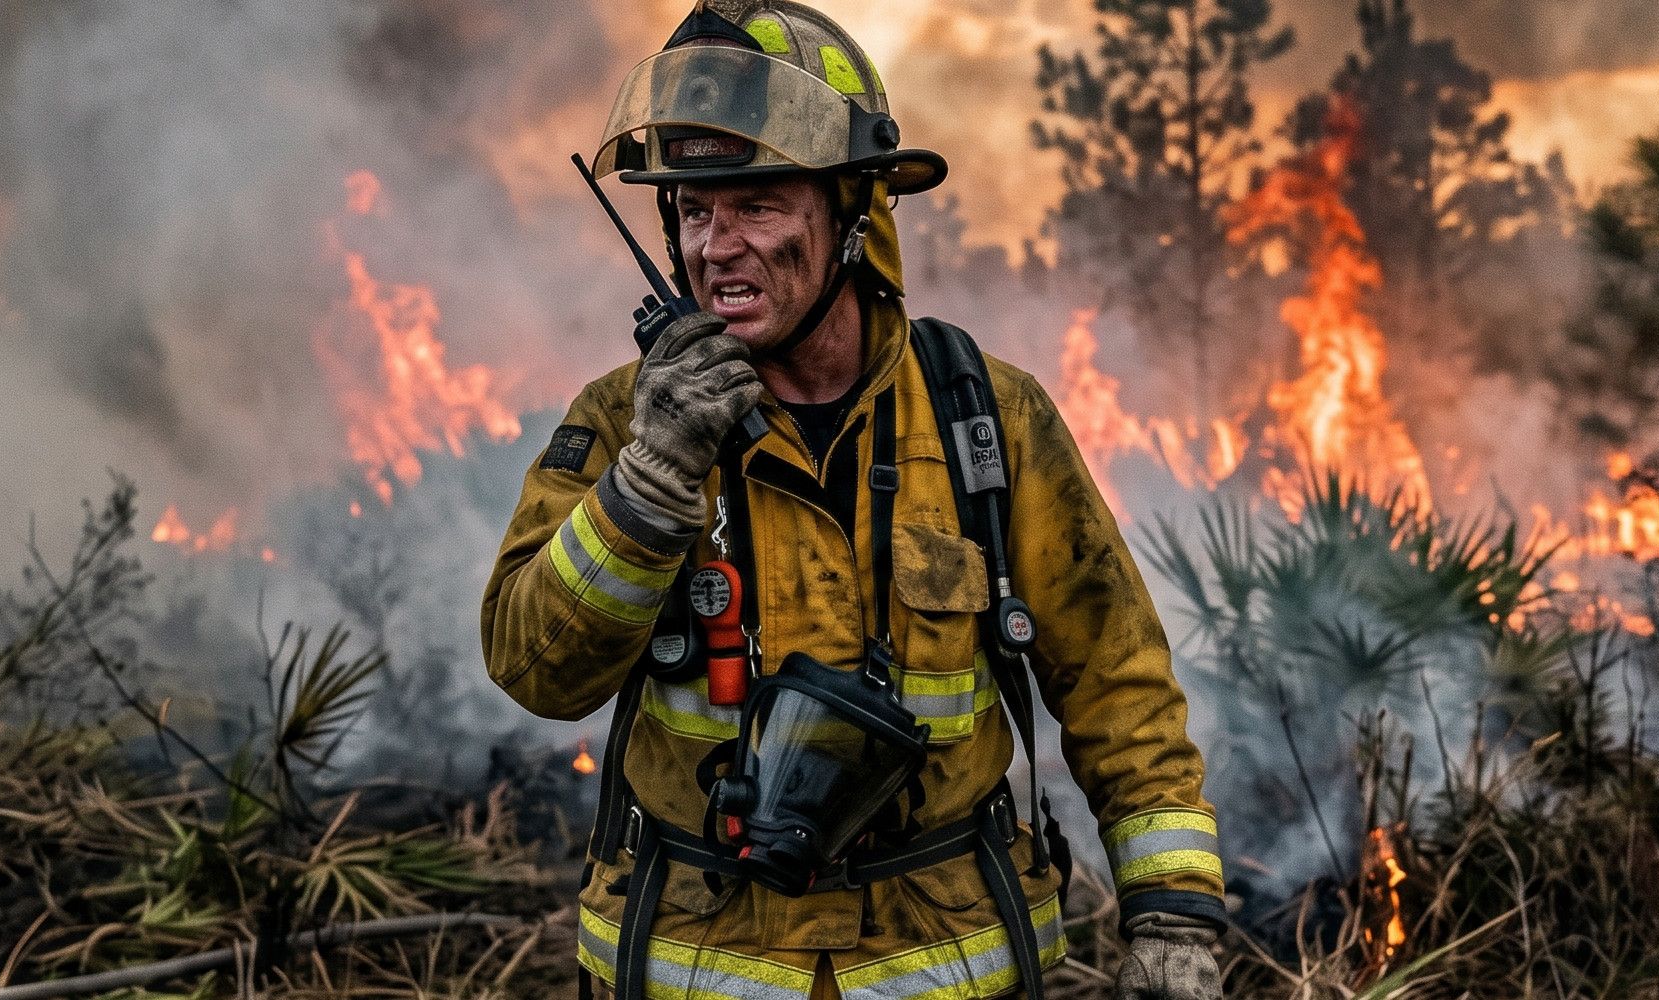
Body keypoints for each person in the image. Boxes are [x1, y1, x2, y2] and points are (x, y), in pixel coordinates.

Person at [483, 3, 1226, 998]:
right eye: (694, 211)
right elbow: (535, 667)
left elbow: (1115, 680)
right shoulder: (624, 423)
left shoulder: (986, 417)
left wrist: (1172, 915)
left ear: (853, 212)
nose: (717, 247)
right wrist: (649, 486)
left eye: (757, 204)